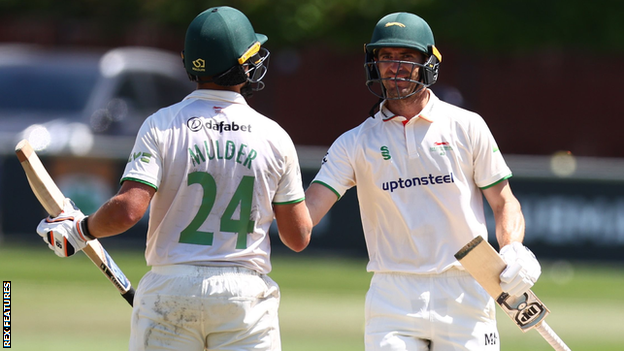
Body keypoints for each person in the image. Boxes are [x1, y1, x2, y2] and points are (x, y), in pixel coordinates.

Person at [36, 6, 313, 351]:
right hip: (244, 297)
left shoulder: (162, 123)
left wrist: (80, 229)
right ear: (244, 63)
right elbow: (298, 236)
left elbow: (126, 211)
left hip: (170, 287)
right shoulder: (275, 136)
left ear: (189, 61)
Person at [304, 12, 541, 351]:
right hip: (393, 295)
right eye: (386, 57)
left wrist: (513, 248)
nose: (394, 66)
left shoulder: (466, 125)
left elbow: (504, 202)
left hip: (466, 287)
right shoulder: (354, 142)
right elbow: (308, 210)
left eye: (406, 57)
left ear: (427, 63)